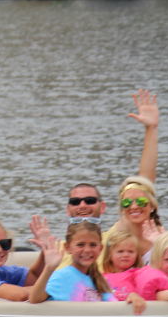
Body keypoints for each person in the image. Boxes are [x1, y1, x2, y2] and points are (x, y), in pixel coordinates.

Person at [58, 89, 159, 269]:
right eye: (75, 201)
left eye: (89, 200)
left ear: (102, 207)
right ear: (68, 209)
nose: (82, 206)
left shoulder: (115, 238)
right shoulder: (59, 249)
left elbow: (143, 186)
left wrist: (150, 129)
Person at [29, 221, 115, 303]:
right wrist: (49, 268)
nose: (87, 250)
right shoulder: (62, 276)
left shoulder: (100, 281)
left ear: (100, 249)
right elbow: (34, 299)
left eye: (93, 245)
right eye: (80, 244)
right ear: (67, 247)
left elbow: (113, 305)